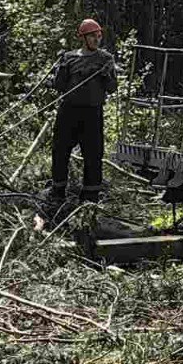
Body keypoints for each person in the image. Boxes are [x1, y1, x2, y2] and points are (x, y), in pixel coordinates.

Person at [46, 18, 117, 221]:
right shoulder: (68, 58)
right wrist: (59, 71)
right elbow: (59, 85)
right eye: (93, 36)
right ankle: (58, 192)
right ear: (83, 38)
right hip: (68, 111)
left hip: (92, 113)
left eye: (99, 35)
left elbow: (113, 88)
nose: (97, 39)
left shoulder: (106, 59)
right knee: (60, 151)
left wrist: (105, 76)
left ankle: (90, 199)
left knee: (93, 155)